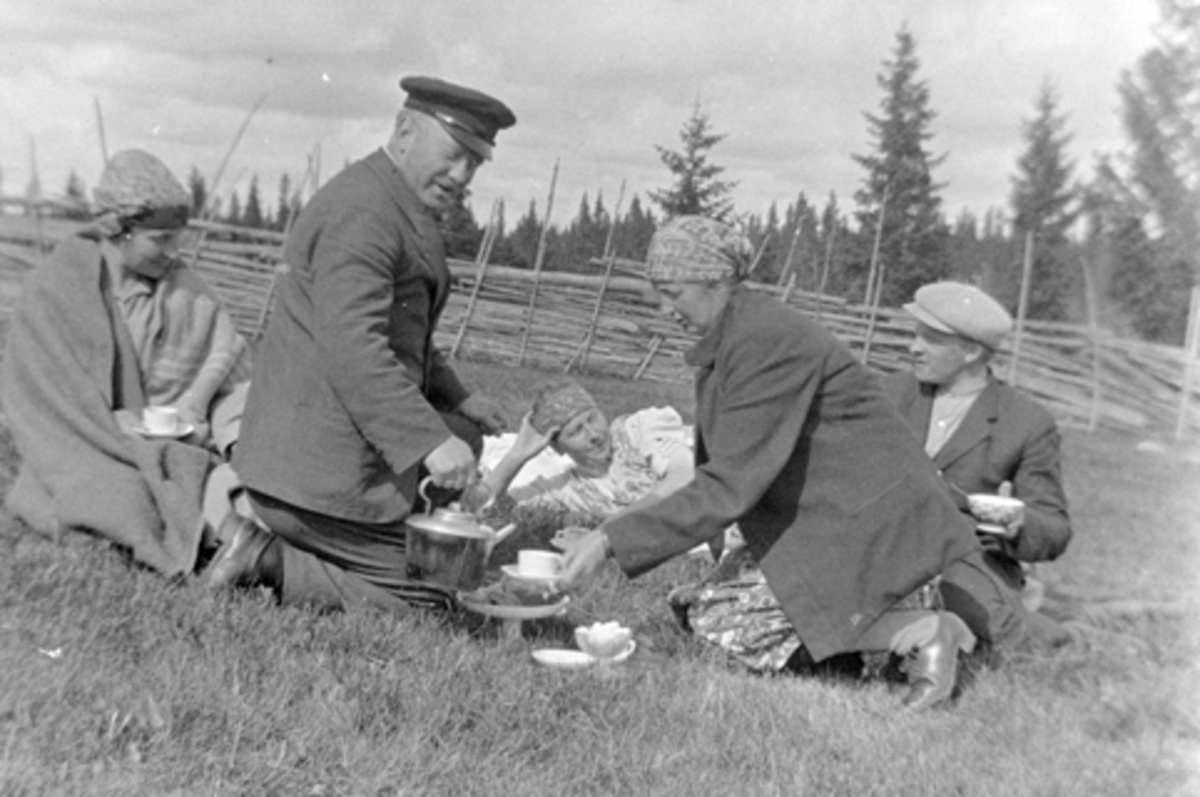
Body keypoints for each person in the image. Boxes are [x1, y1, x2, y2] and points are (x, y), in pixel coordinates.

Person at [560, 215, 1009, 711]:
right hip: (836, 515)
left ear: (715, 281)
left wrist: (609, 540)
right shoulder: (742, 332)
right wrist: (613, 529)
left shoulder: (764, 341)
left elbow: (730, 486)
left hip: (870, 525)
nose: (665, 309)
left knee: (728, 626)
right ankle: (848, 645)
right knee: (696, 610)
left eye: (672, 293)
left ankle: (924, 632)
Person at [210, 75, 516, 613]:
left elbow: (404, 333)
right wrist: (424, 441)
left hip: (331, 449)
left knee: (464, 437)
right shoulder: (364, 213)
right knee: (435, 590)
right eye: (453, 154)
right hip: (309, 475)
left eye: (475, 162)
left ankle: (343, 547)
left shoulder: (393, 202)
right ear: (403, 131)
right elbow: (354, 346)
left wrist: (458, 398)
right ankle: (264, 557)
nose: (462, 175)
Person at [1, 149, 251, 576]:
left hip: (173, 445)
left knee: (228, 486)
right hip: (81, 444)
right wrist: (106, 422)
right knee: (120, 497)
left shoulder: (188, 296)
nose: (174, 252)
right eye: (161, 240)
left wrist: (236, 441)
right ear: (119, 231)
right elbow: (45, 396)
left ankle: (242, 544)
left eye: (179, 239)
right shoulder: (57, 291)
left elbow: (232, 378)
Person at [478, 379, 694, 518]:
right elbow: (482, 506)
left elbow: (685, 474)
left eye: (593, 418)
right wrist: (518, 455)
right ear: (558, 447)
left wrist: (620, 523)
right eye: (576, 431)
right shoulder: (568, 491)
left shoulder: (635, 431)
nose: (593, 435)